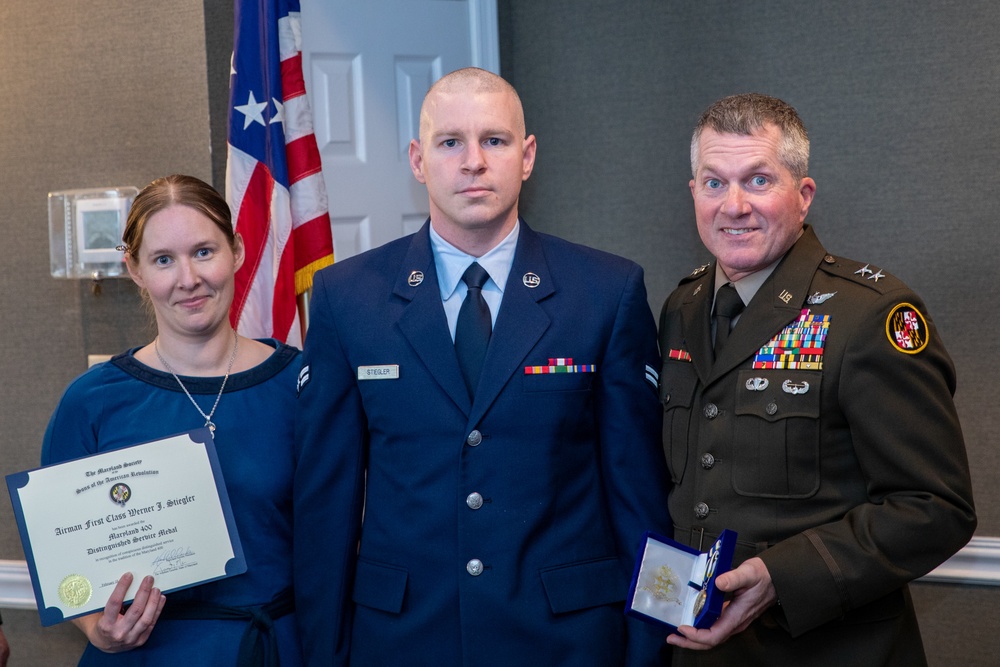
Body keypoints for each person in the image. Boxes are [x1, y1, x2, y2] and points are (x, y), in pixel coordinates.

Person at [294, 67, 671, 665]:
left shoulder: (605, 290)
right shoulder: (347, 297)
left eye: (493, 141)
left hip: (567, 638)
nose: (473, 161)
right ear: (418, 160)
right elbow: (327, 504)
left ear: (527, 157)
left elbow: (640, 494)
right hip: (404, 638)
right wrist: (321, 652)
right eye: (451, 143)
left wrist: (651, 645)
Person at [657, 93, 976, 665]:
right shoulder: (682, 307)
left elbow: (934, 507)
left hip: (832, 649)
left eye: (757, 180)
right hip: (701, 652)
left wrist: (781, 577)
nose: (733, 205)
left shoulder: (869, 315)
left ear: (802, 195)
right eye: (713, 183)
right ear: (693, 194)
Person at [42, 175, 303, 665]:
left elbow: (344, 532)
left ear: (238, 251)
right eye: (163, 259)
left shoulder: (301, 384)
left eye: (204, 251)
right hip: (145, 655)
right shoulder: (92, 401)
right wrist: (95, 629)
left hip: (276, 647)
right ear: (135, 270)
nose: (188, 278)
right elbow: (64, 562)